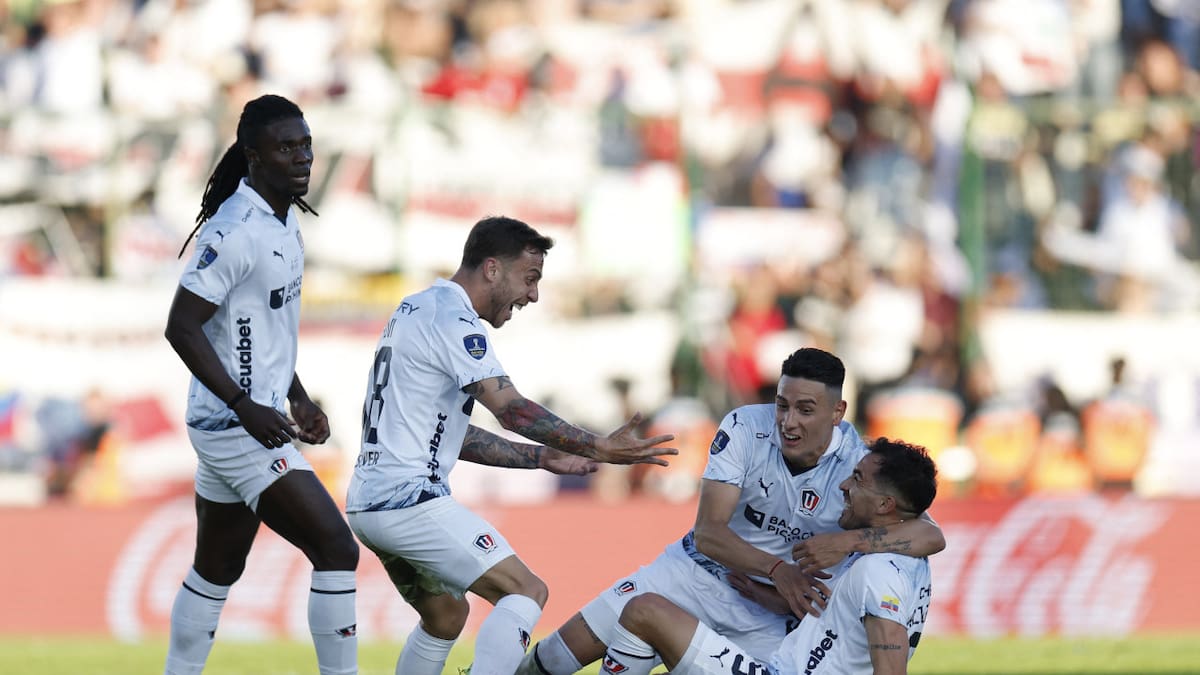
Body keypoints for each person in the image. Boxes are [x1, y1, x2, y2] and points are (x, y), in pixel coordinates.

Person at [344, 215, 677, 675]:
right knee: (525, 591)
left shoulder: (418, 308)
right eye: (530, 278)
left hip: (369, 502)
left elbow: (451, 434)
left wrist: (542, 456)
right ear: (493, 269)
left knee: (446, 616)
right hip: (409, 501)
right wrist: (598, 447)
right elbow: (512, 409)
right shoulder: (454, 318)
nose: (533, 295)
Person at [519, 348, 945, 674]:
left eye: (805, 409)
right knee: (555, 658)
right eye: (782, 404)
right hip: (693, 573)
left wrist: (845, 542)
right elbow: (708, 532)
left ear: (838, 413)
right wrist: (780, 570)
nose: (788, 421)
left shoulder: (855, 464)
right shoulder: (744, 427)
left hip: (769, 614)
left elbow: (930, 535)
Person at [163, 94, 359, 675]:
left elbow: (259, 325)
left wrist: (296, 395)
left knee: (217, 568)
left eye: (306, 144)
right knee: (337, 548)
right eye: (286, 147)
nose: (301, 157)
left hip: (245, 418)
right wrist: (244, 404)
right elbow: (181, 325)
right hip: (235, 425)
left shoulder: (286, 218)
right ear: (254, 156)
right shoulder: (234, 230)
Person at [599, 437, 938, 675]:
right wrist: (769, 596)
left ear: (884, 505)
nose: (843, 486)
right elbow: (837, 622)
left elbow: (891, 664)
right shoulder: (892, 553)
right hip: (773, 665)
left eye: (858, 479)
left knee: (645, 610)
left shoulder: (880, 570)